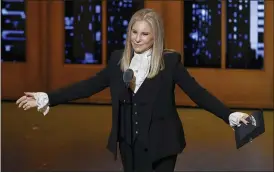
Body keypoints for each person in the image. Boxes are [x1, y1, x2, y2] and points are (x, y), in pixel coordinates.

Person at [16, 8, 250, 172]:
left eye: (144, 34)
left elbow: (198, 93)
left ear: (155, 36)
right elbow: (87, 87)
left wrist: (228, 115)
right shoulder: (119, 60)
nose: (137, 39)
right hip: (129, 143)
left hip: (162, 144)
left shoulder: (169, 63)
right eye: (134, 32)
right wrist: (47, 97)